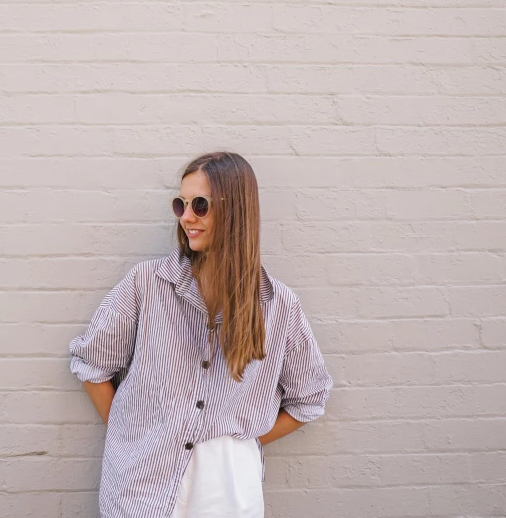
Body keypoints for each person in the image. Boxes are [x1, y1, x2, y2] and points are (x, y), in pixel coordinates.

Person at [69, 152, 333, 518]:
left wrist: (238, 443)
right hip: (141, 483)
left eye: (200, 205)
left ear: (235, 210)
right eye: (181, 204)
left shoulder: (279, 306)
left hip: (227, 490)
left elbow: (310, 397)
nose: (186, 217)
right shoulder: (146, 284)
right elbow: (92, 364)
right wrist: (131, 434)